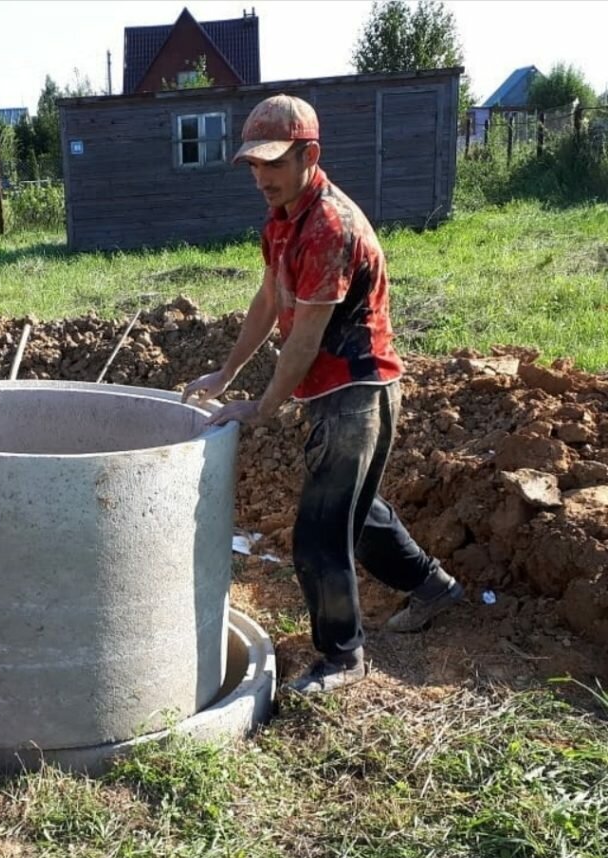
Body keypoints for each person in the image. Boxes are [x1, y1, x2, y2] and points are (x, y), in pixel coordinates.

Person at [183, 94, 463, 695]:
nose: (261, 178)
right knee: (357, 517)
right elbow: (268, 303)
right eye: (254, 166)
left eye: (274, 164)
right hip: (337, 392)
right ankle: (433, 587)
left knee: (317, 535)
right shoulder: (283, 221)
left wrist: (262, 408)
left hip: (357, 391)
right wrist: (225, 376)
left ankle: (342, 656)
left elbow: (305, 338)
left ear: (310, 154)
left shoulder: (329, 227)